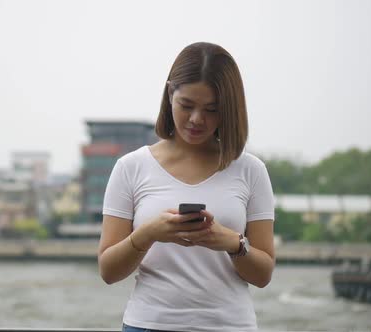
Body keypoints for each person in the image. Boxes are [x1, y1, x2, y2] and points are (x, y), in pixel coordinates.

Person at [98, 42, 275, 332]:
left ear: (228, 110)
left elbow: (263, 274)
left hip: (230, 326)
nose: (196, 119)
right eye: (187, 105)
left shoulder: (251, 170)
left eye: (211, 109)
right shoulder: (131, 167)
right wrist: (149, 233)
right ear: (170, 94)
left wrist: (232, 243)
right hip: (148, 324)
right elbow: (108, 271)